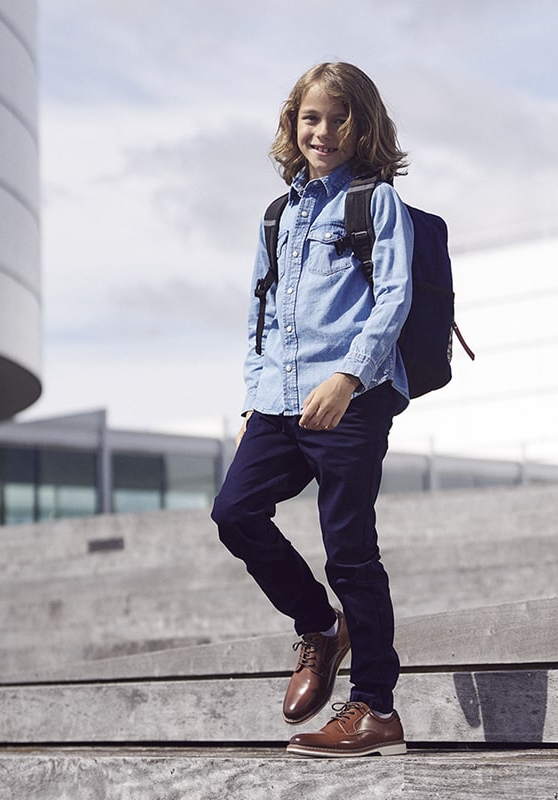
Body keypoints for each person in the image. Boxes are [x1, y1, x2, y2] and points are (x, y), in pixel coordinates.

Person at [211, 62, 413, 758]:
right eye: (311, 118)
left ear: (363, 126)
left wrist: (348, 377)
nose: (323, 131)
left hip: (350, 399)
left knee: (350, 552)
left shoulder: (375, 203)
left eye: (339, 118)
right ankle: (321, 628)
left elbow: (393, 298)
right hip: (276, 400)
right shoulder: (278, 215)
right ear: (293, 125)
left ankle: (376, 708)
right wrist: (253, 400)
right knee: (234, 512)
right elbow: (260, 317)